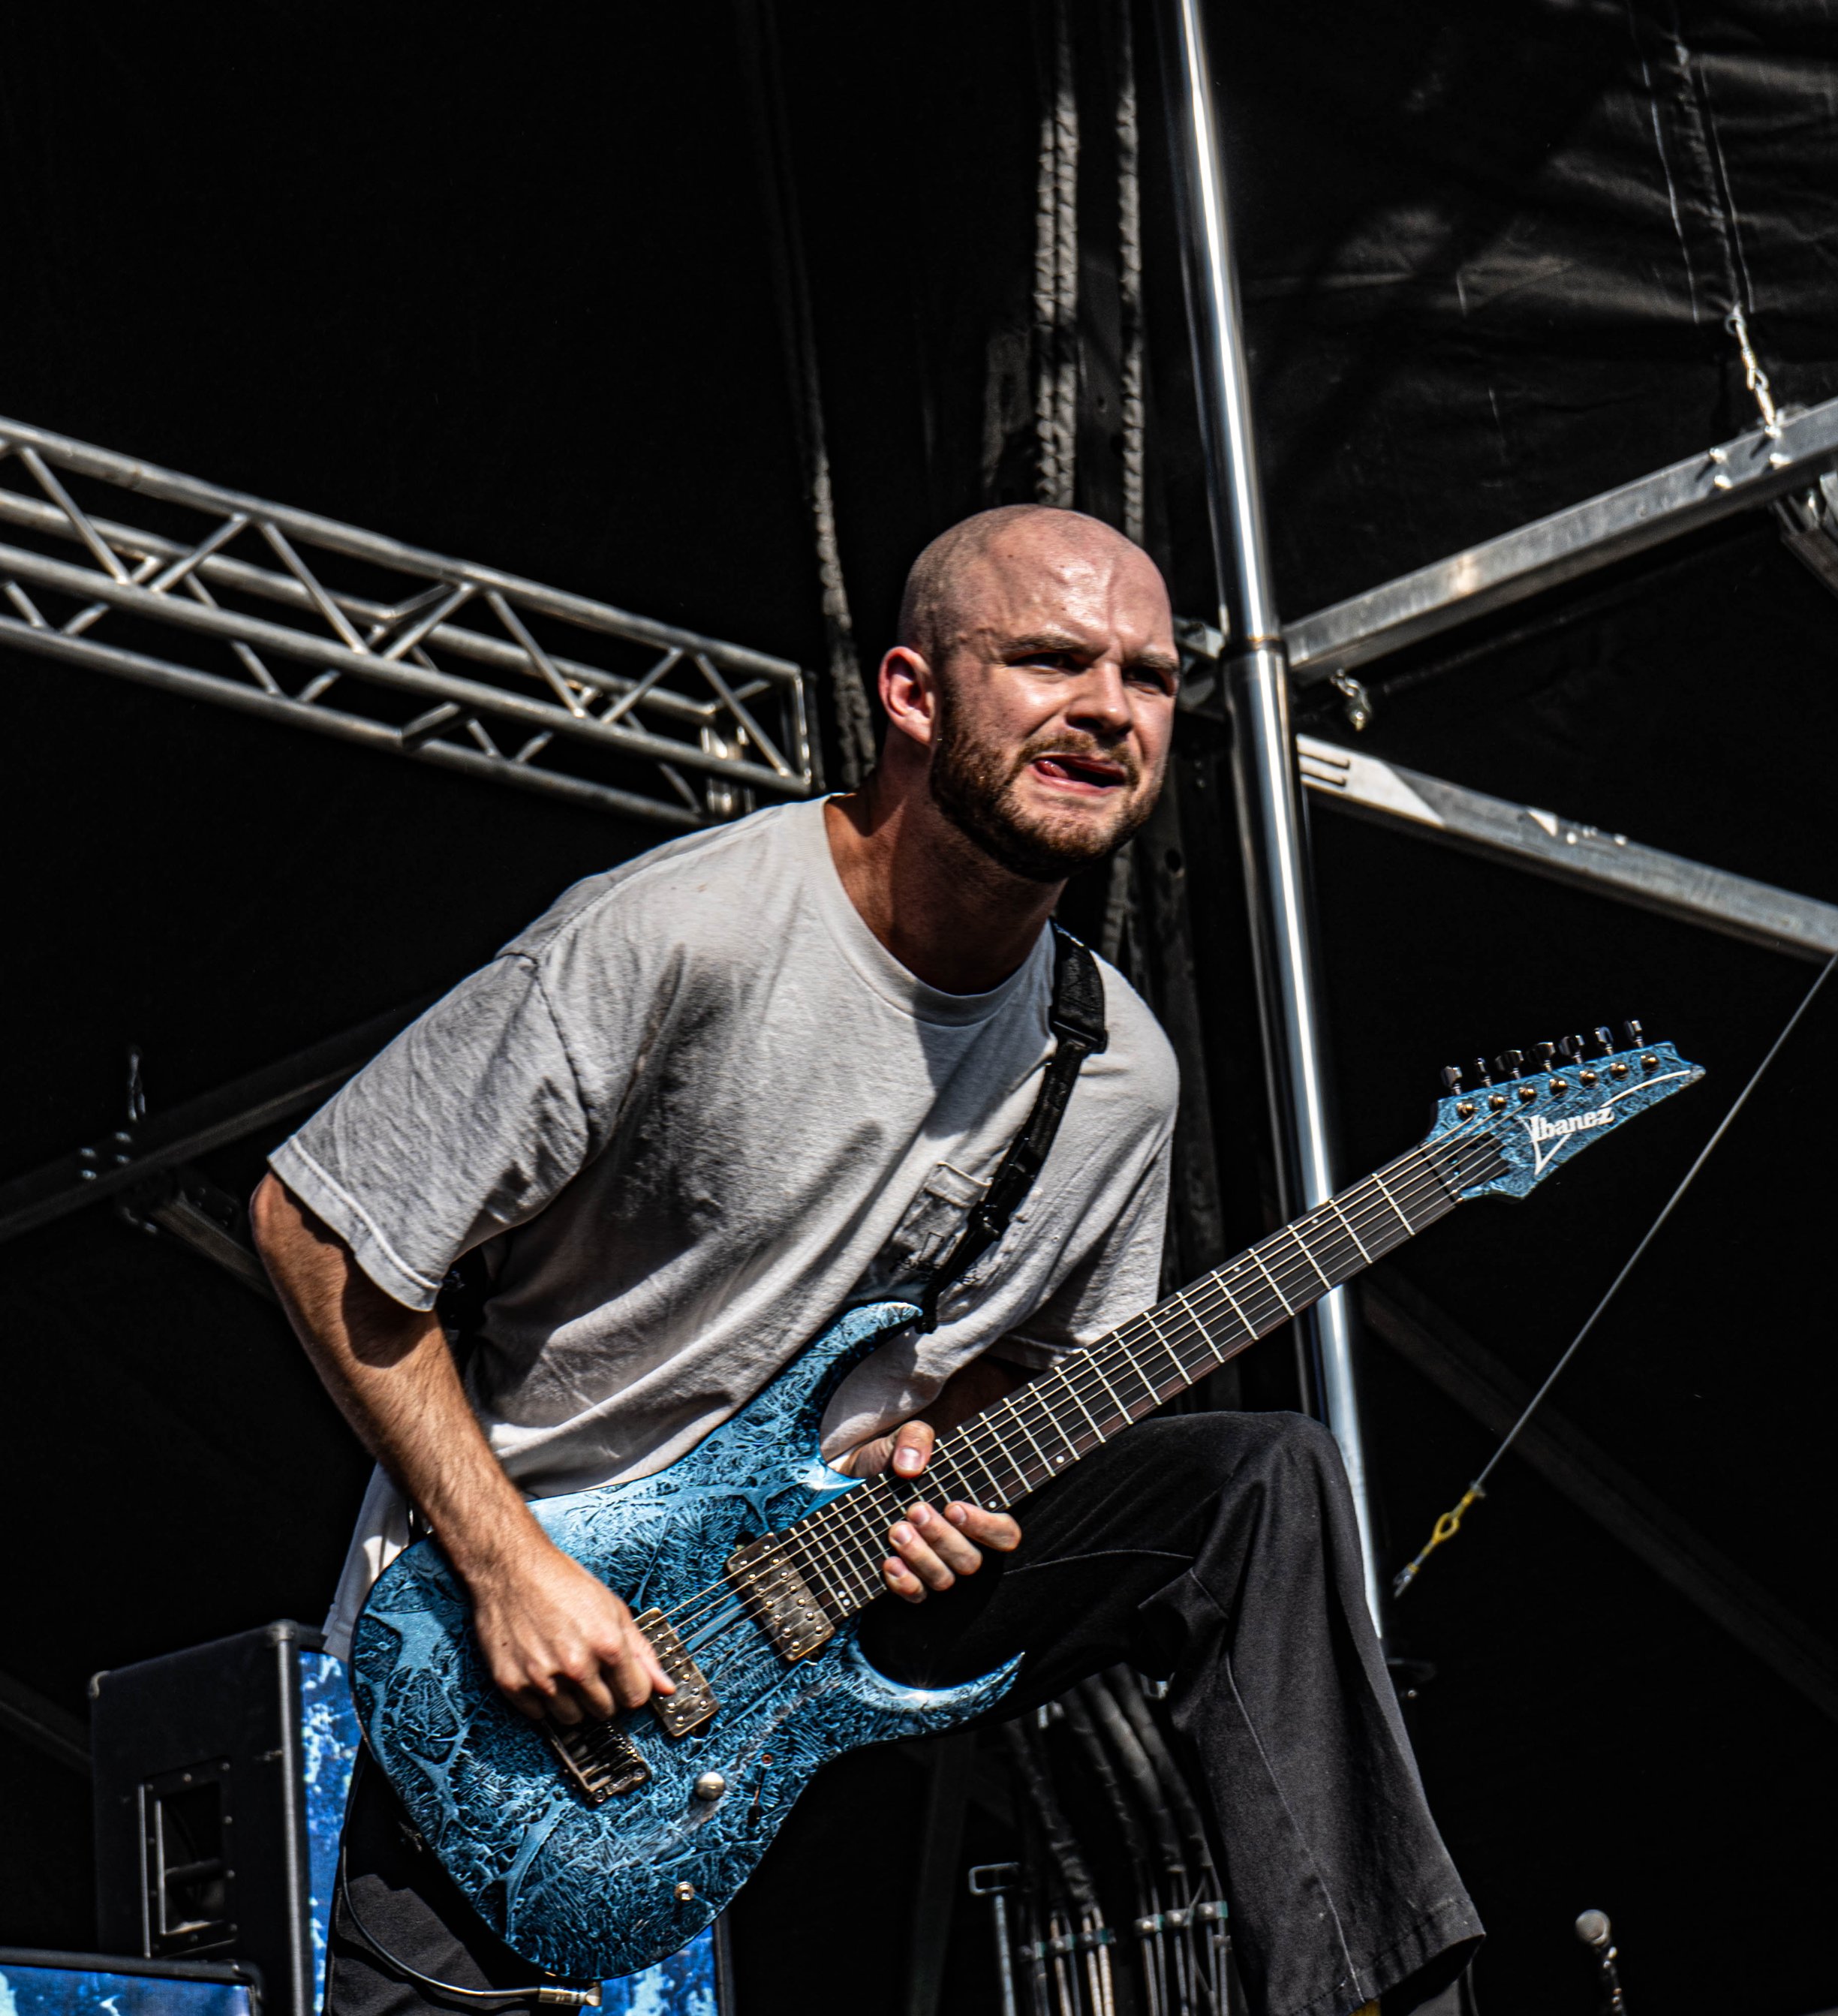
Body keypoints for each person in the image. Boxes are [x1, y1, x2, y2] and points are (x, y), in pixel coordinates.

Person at [252, 504, 1480, 2016]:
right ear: (910, 692)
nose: (1107, 707)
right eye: (1048, 659)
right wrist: (514, 1571)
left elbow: (1022, 1388)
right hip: (534, 1654)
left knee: (1257, 1477)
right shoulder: (673, 941)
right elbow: (318, 1224)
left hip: (841, 1599)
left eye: (1147, 678)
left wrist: (947, 1487)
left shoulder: (1117, 1075)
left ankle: (1380, 1999)